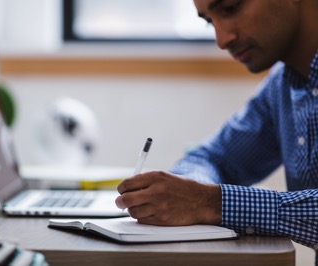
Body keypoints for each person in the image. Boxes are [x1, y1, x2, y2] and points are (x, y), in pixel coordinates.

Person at [115, 0, 318, 259]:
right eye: (210, 21)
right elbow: (214, 157)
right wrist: (187, 192)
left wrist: (210, 202)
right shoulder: (283, 84)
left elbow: (208, 198)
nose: (221, 40)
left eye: (231, 8)